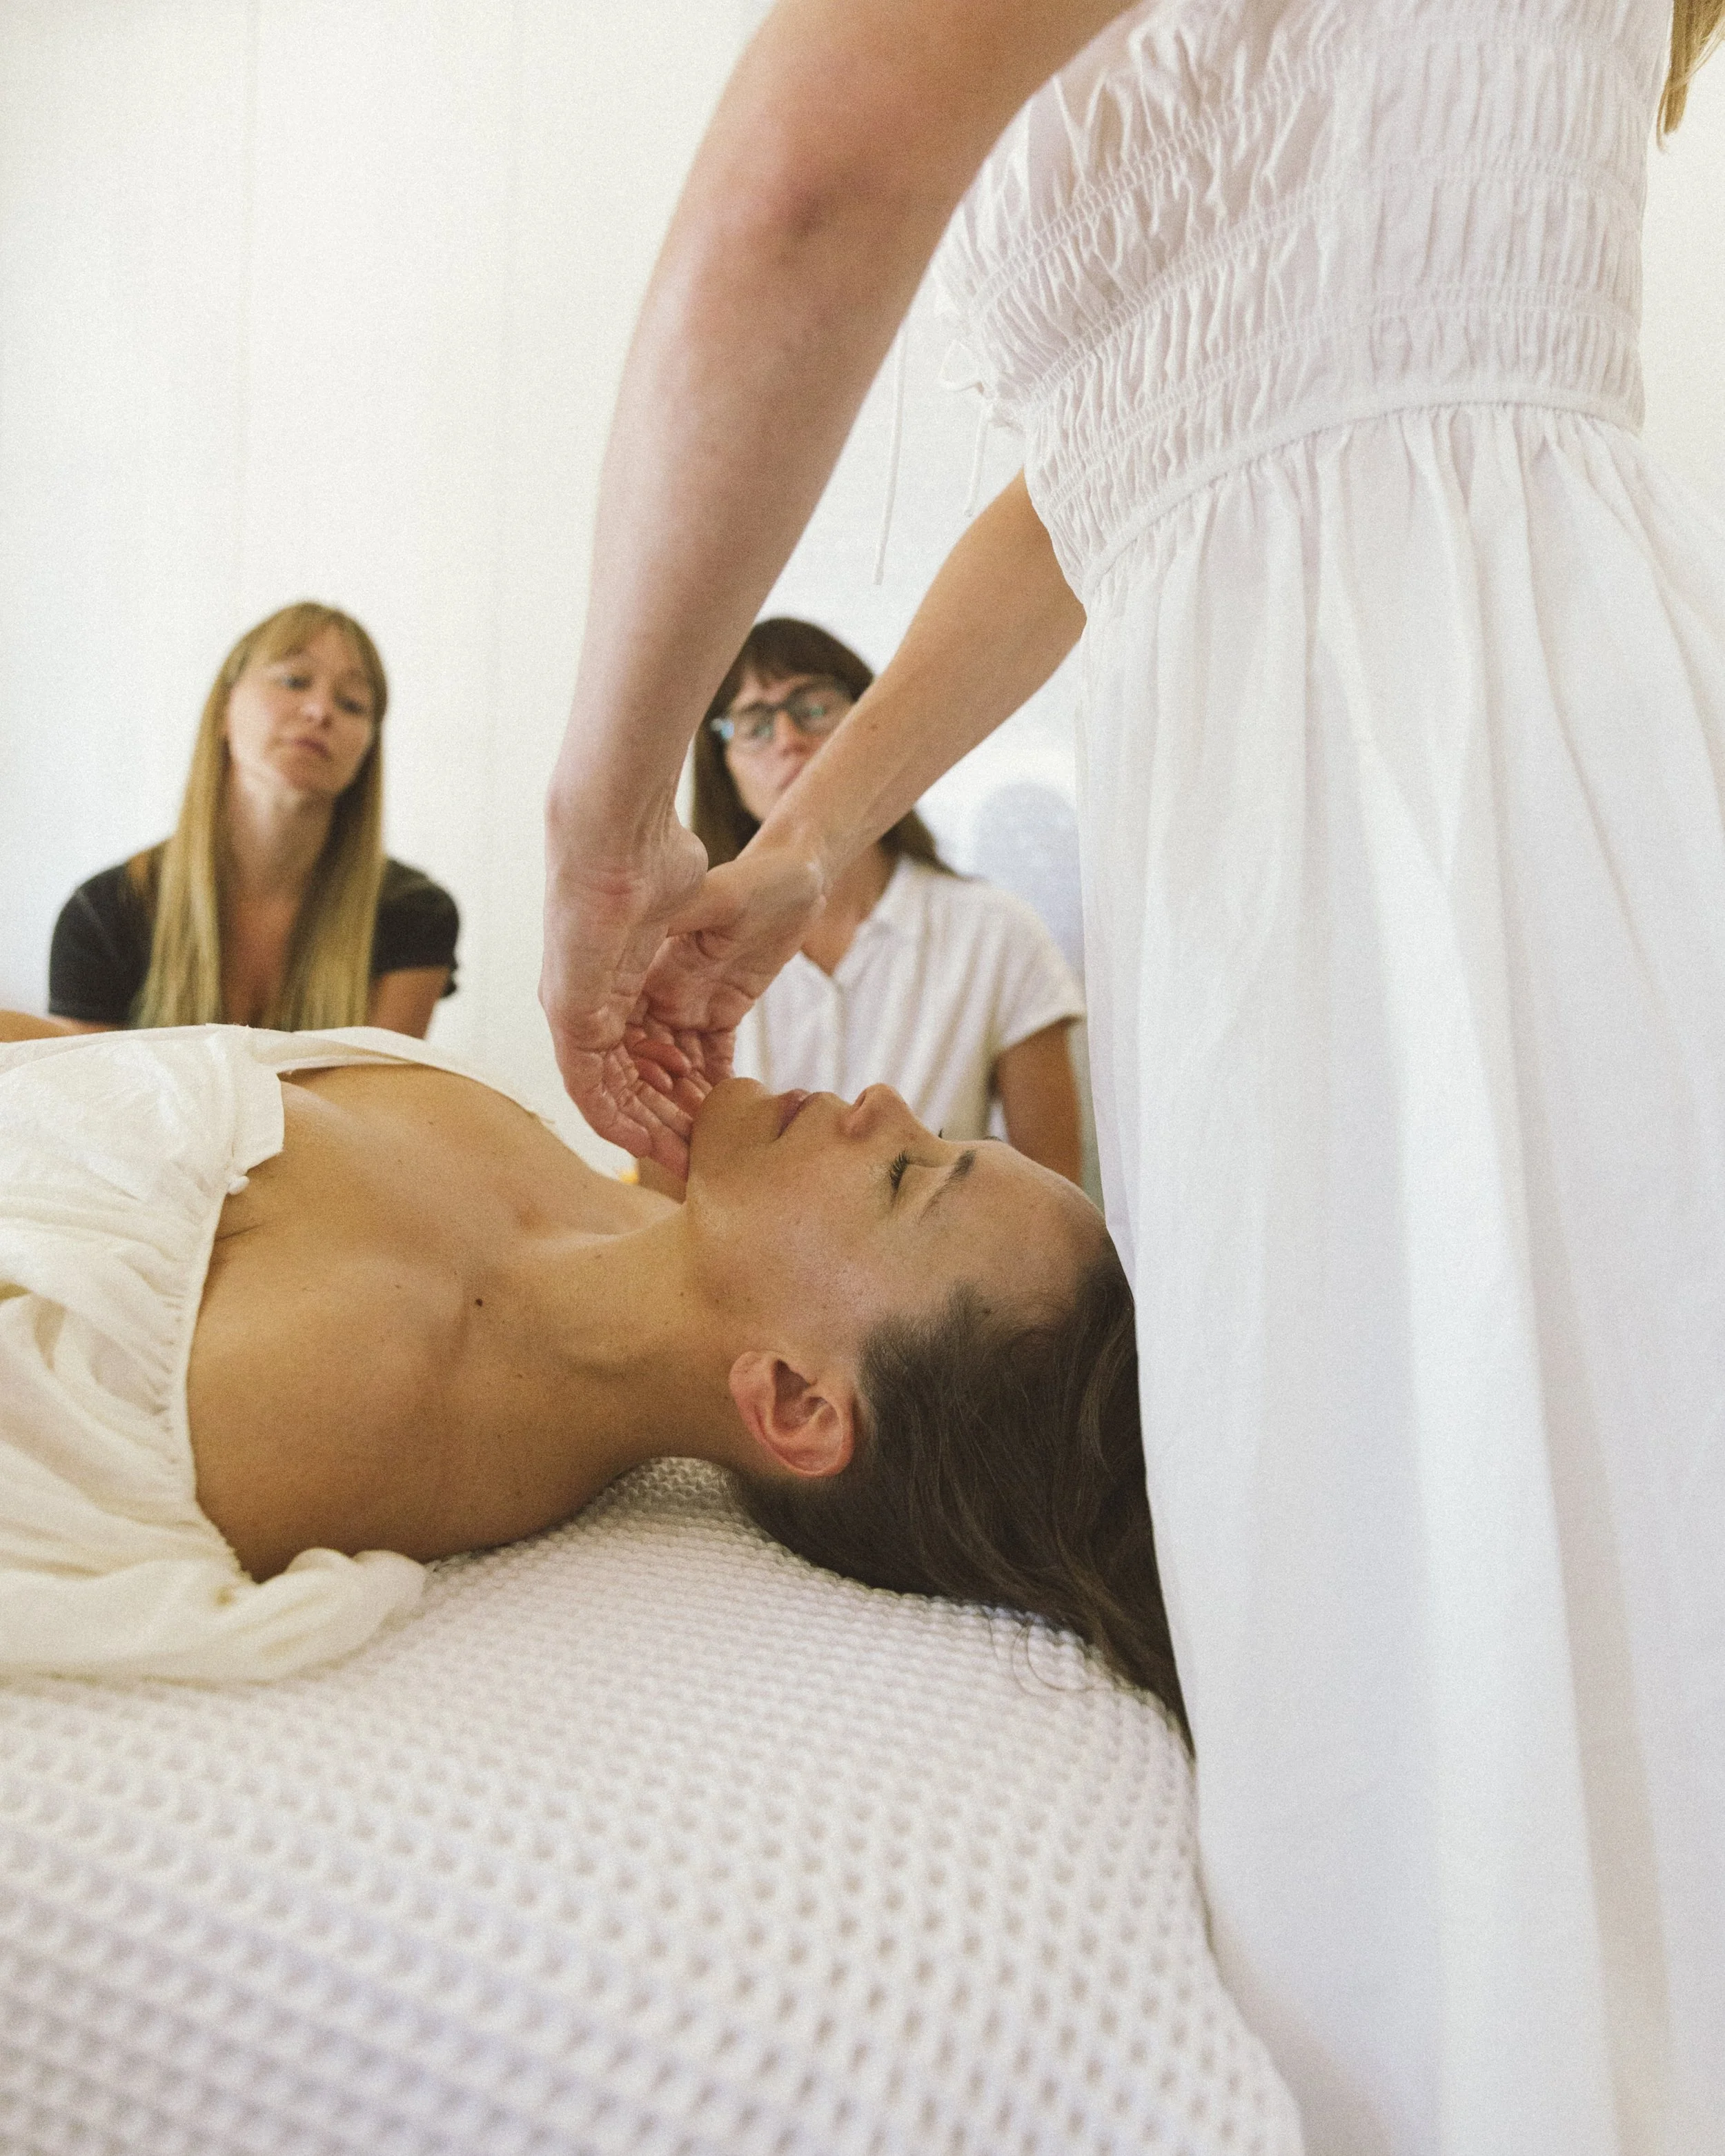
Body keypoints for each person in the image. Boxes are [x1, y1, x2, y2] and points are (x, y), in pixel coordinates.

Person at [535, 2, 1725, 2150]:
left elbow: (806, 182)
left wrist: (603, 808)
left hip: (1417, 819)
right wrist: (809, 840)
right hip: (1432, 783)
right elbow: (1141, 451)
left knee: (1482, 1731)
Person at [0, 1010, 1182, 1726]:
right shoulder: (576, 1189)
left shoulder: (349, 1381)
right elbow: (113, 1074)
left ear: (795, 1403)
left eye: (906, 1176)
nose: (881, 1104)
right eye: (939, 1137)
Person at [696, 617, 1084, 1179]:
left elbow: (1055, 1192)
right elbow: (663, 1207)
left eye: (814, 706)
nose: (788, 739)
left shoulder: (997, 933)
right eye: (753, 723)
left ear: (872, 723)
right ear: (722, 767)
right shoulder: (692, 956)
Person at [47, 602, 458, 1038]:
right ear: (224, 709)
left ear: (368, 750)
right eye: (294, 681)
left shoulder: (415, 913)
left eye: (353, 704)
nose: (320, 711)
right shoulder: (104, 911)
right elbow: (92, 1102)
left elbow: (377, 1101)